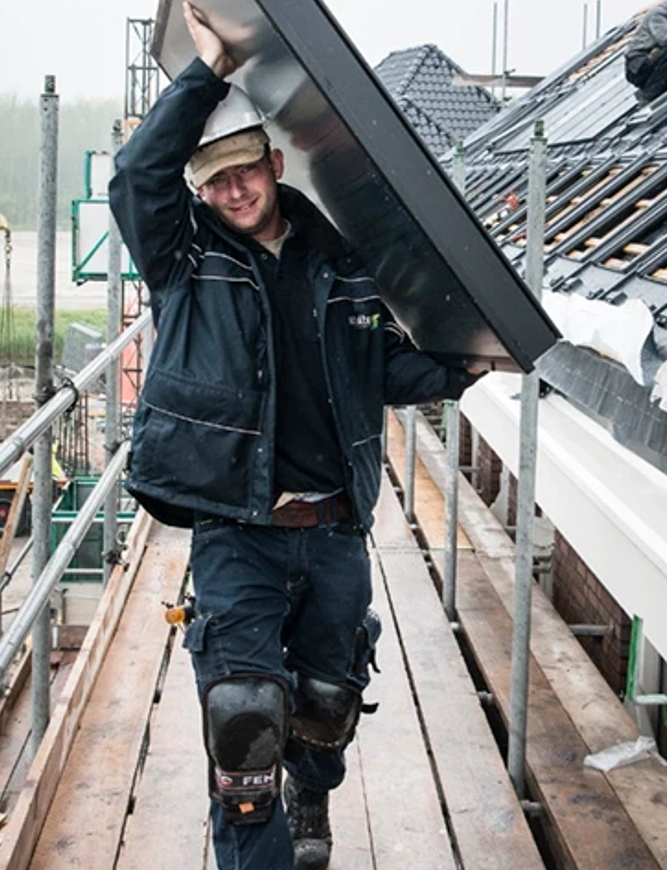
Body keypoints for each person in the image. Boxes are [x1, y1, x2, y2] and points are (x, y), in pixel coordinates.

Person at [108, 4, 482, 868]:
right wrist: (205, 73)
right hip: (238, 531)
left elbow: (383, 368)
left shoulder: (341, 261)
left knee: (323, 706)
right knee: (243, 727)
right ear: (199, 189)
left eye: (244, 171)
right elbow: (135, 176)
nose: (233, 192)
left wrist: (468, 366)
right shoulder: (184, 264)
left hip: (333, 530)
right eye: (214, 182)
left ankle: (313, 788)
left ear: (273, 164)